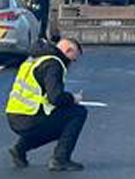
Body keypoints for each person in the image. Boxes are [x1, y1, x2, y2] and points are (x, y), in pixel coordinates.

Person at [5, 36, 87, 171]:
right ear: (68, 50)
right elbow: (56, 98)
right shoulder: (53, 64)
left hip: (14, 116)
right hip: (30, 117)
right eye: (73, 59)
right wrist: (73, 98)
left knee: (55, 123)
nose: (72, 62)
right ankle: (60, 159)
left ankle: (20, 149)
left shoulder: (34, 59)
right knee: (77, 113)